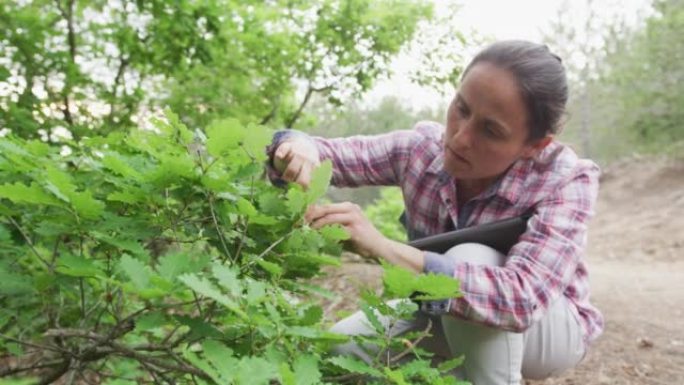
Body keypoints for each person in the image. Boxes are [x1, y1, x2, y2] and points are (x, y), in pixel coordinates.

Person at [266, 40, 602, 385]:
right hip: (442, 315)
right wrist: (295, 149)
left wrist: (382, 248)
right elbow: (324, 152)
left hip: (548, 331)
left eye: (490, 130)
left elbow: (521, 299)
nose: (459, 137)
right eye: (462, 108)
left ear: (534, 146)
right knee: (343, 352)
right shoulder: (421, 150)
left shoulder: (565, 179)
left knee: (470, 258)